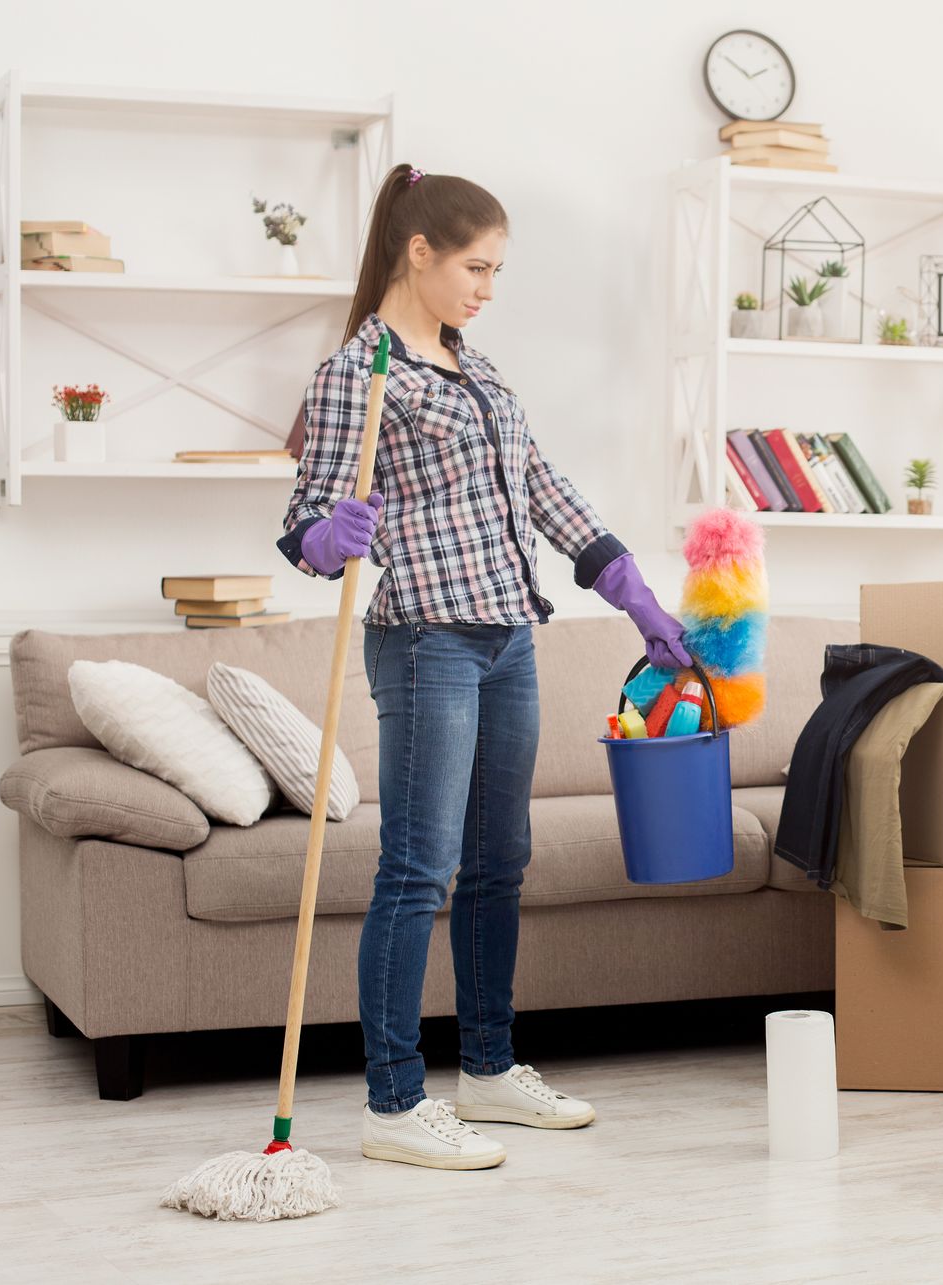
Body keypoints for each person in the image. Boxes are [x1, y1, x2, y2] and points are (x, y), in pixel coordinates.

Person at [278, 162, 690, 1171]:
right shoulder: (358, 374)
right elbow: (300, 526)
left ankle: (491, 1071)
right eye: (476, 265)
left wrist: (632, 590)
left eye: (496, 269)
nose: (487, 286)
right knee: (420, 869)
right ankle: (392, 1100)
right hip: (425, 640)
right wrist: (331, 537)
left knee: (501, 863)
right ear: (418, 252)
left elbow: (545, 490)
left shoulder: (478, 367)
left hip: (509, 636)